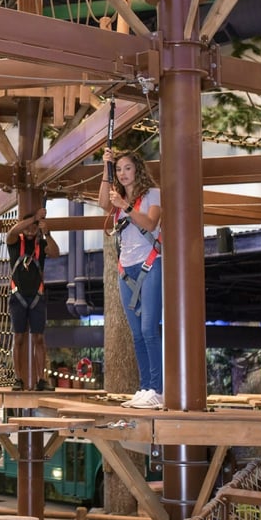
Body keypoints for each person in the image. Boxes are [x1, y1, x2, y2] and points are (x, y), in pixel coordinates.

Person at [98, 149, 163, 409]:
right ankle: (145, 386)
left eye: (127, 168)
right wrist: (106, 167)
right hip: (126, 269)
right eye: (120, 169)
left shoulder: (152, 195)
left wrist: (125, 206)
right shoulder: (117, 198)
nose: (123, 174)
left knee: (149, 328)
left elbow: (150, 223)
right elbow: (103, 202)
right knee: (136, 333)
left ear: (137, 169)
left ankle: (158, 389)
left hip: (150, 263)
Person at [7, 207, 59, 391]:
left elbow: (55, 253)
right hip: (18, 297)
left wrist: (47, 233)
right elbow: (13, 231)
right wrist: (34, 218)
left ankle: (41, 379)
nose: (30, 231)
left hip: (37, 297)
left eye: (33, 228)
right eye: (27, 227)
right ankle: (18, 378)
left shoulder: (41, 245)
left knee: (39, 338)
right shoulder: (14, 242)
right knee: (18, 337)